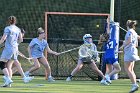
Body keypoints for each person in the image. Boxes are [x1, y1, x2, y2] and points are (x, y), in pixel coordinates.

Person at [1, 16, 33, 87]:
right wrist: (15, 44)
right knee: (13, 64)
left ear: (9, 21)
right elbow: (21, 40)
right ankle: (24, 77)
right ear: (15, 21)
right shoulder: (18, 29)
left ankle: (8, 79)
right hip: (15, 48)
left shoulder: (7, 28)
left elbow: (3, 38)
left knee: (2, 64)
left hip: (8, 49)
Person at [119, 20, 140, 93]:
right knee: (131, 69)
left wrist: (123, 46)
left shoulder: (129, 32)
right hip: (134, 51)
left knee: (127, 69)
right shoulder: (134, 32)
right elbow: (136, 44)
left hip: (129, 52)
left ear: (127, 25)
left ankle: (134, 85)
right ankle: (134, 84)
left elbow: (129, 41)